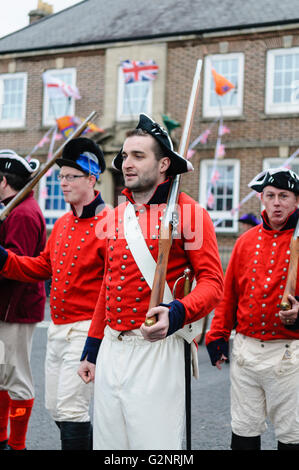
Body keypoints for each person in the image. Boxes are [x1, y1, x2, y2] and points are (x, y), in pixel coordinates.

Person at [78, 114, 224, 450]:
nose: (126, 163)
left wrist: (176, 313)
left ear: (163, 165)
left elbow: (213, 283)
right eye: (125, 156)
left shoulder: (191, 214)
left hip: (156, 349)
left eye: (138, 156)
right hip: (112, 348)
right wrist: (92, 348)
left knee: (154, 449)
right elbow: (108, 285)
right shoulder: (114, 216)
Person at [0, 138, 108, 450]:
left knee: (72, 409)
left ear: (91, 179)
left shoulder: (110, 222)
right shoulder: (61, 223)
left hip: (86, 327)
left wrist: (97, 338)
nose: (63, 183)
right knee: (55, 408)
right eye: (60, 176)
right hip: (58, 327)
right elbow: (41, 266)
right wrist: (5, 259)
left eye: (71, 176)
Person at [205, 167, 299, 451]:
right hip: (246, 351)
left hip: (288, 353)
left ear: (296, 202)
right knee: (243, 431)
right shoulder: (245, 241)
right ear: (262, 200)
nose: (276, 202)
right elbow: (229, 293)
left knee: (291, 435)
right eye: (270, 195)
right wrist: (218, 334)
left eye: (284, 196)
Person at [0, 150, 46, 451]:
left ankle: (17, 445)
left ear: (3, 181)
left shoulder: (23, 213)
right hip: (5, 309)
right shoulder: (10, 208)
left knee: (17, 379)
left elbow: (18, 266)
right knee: (2, 374)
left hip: (14, 310)